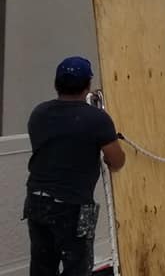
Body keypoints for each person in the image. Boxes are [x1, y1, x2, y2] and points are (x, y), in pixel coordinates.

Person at [25, 56, 126, 276]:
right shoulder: (98, 119)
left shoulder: (39, 113)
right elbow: (117, 162)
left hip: (36, 200)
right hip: (78, 206)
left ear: (56, 83)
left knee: (42, 265)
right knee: (79, 266)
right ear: (88, 85)